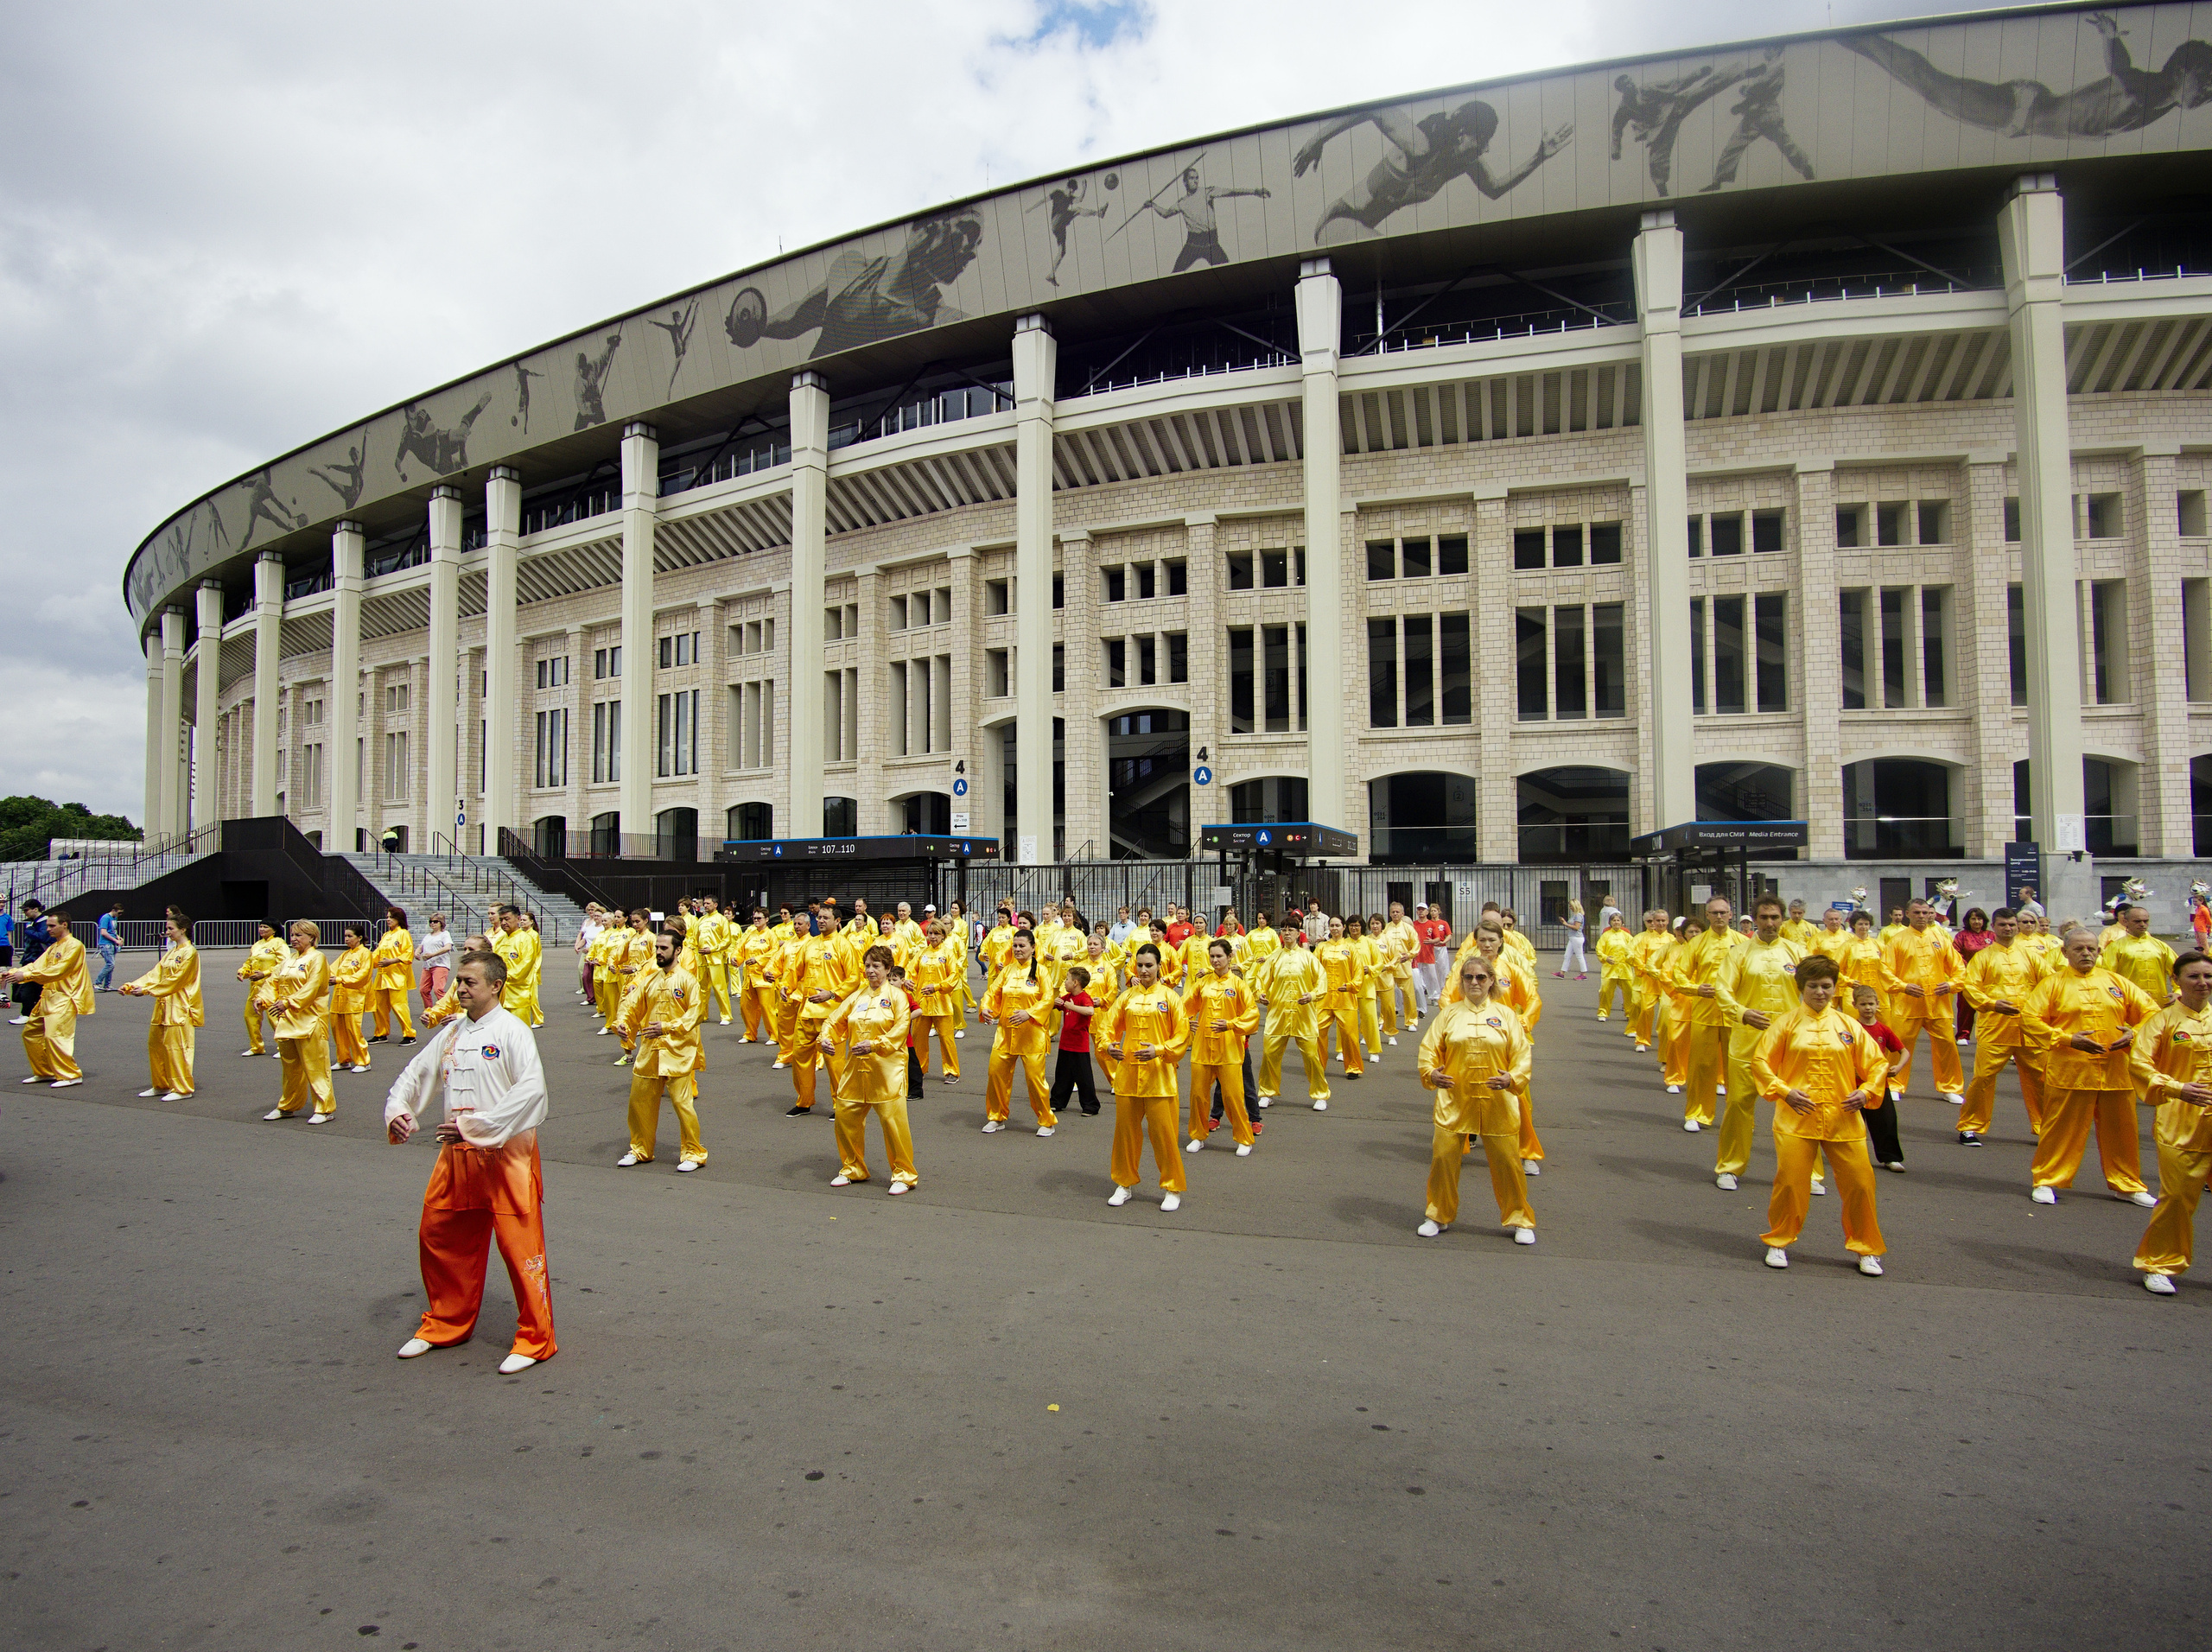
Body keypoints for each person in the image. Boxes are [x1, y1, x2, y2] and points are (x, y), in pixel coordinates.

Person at [385, 950, 557, 1375]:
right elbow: (416, 1074)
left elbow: (532, 1091)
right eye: (458, 981)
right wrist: (399, 1110)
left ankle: (536, 1338)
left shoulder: (514, 1031)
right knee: (440, 1234)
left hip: (507, 1156)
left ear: (496, 986)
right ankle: (446, 1322)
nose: (459, 989)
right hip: (457, 1155)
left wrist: (478, 1127)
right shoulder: (451, 1033)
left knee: (520, 1247)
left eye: (469, 983)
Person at [1750, 956, 1890, 1275]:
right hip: (1796, 1118)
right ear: (1800, 987)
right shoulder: (1785, 1024)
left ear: (1835, 988)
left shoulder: (1848, 1025)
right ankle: (1779, 1241)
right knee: (1791, 1183)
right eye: (1813, 986)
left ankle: (1866, 1247)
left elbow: (1878, 1064)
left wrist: (1866, 1091)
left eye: (1827, 986)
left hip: (1844, 1118)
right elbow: (1760, 1061)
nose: (1820, 992)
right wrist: (1784, 1091)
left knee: (1861, 1184)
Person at [2018, 926, 2161, 1207]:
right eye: (2079, 949)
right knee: (2060, 1129)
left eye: (2091, 949)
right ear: (2065, 952)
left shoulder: (2116, 981)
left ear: (2099, 950)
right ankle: (2046, 1179)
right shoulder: (2052, 984)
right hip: (2070, 1071)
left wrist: (2134, 1032)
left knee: (2123, 1130)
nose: (2086, 953)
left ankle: (2127, 1184)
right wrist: (2067, 1039)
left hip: (2116, 1071)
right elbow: (2029, 1019)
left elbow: (2151, 1011)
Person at [1414, 952, 1536, 1245]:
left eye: (1481, 977)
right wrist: (1431, 1073)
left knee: (1508, 1163)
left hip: (1499, 1102)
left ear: (1492, 980)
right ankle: (1437, 1214)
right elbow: (1428, 1049)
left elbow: (1522, 1054)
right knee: (1443, 1159)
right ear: (1462, 981)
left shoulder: (1506, 1015)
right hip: (1455, 1100)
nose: (1474, 982)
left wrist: (1513, 1078)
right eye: (1468, 977)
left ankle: (1519, 1218)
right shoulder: (1449, 1014)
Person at [1712, 895, 1808, 1192]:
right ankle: (1729, 1166)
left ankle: (1808, 1171)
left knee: (1800, 1106)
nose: (1770, 923)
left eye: (1775, 917)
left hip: (1789, 1043)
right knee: (1739, 1104)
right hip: (1747, 1042)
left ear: (1783, 919)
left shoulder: (1798, 952)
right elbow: (1722, 989)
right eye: (1764, 917)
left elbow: (1819, 990)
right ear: (1754, 919)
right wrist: (1742, 1013)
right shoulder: (1739, 953)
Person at [2130, 950, 2212, 1294]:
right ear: (2176, 980)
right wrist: (2177, 1088)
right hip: (2181, 1122)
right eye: (2194, 976)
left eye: (2208, 976)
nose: (2203, 983)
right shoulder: (2162, 1021)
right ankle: (2159, 1263)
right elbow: (2139, 1063)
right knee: (2177, 1196)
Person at [817, 944, 918, 1192]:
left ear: (887, 969)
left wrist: (875, 1045)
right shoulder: (857, 996)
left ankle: (903, 1174)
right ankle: (853, 1167)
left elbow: (901, 1029)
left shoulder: (898, 997)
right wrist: (826, 1038)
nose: (871, 971)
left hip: (887, 1070)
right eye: (868, 966)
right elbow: (834, 1020)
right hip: (855, 1069)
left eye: (877, 966)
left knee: (892, 1121)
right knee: (845, 1115)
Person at [1097, 944, 1191, 1210]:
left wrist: (1160, 1050)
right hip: (1128, 1075)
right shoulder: (1126, 996)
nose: (1144, 970)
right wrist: (1109, 1046)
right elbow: (1108, 1026)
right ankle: (1124, 1183)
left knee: (1163, 1134)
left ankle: (1172, 1187)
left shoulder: (1171, 998)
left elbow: (1182, 1035)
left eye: (1149, 965)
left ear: (1159, 966)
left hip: (1160, 1078)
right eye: (1140, 965)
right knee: (1126, 1133)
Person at [1956, 907, 2050, 1146]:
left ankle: (2044, 1128)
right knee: (1983, 1078)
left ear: (2017, 927)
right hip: (1995, 1028)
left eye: (2011, 925)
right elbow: (1970, 987)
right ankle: (1970, 1126)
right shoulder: (1983, 957)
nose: (2008, 928)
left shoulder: (2031, 956)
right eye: (2002, 925)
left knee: (2040, 1079)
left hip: (2030, 1028)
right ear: (1994, 928)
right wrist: (1992, 1004)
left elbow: (2050, 984)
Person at [616, 929, 707, 1172]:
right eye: (657, 947)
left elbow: (697, 1013)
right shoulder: (650, 979)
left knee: (682, 1104)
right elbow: (631, 1006)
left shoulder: (688, 980)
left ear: (677, 950)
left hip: (679, 1052)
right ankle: (640, 1149)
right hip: (650, 1051)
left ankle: (693, 1153)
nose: (658, 952)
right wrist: (623, 1025)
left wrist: (667, 1027)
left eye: (664, 948)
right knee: (639, 1102)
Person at [1879, 900, 1964, 1104]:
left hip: (1939, 1003)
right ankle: (1894, 1083)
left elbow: (1959, 969)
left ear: (1930, 914)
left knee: (1946, 1045)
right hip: (1907, 1003)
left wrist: (1952, 985)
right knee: (1899, 1045)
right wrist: (1903, 986)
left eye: (1925, 912)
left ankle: (1949, 1086)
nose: (1921, 916)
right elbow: (1885, 970)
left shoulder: (1941, 939)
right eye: (1917, 912)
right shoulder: (1897, 941)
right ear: (1908, 913)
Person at [1672, 897, 1745, 1129]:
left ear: (1731, 914)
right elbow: (1679, 975)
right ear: (1707, 915)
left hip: (1736, 1014)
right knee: (1701, 1066)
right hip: (1705, 1012)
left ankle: (1741, 1116)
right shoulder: (1696, 943)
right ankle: (1696, 1113)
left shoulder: (1743, 942)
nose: (1719, 917)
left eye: (1723, 912)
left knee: (1738, 1068)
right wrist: (1696, 988)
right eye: (1714, 913)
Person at [1184, 938, 1260, 1154]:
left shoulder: (1238, 985)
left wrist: (1231, 1024)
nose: (1215, 960)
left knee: (1233, 1096)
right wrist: (1186, 1021)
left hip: (1229, 1049)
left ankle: (1244, 1138)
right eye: (1213, 956)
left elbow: (1252, 1013)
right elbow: (1184, 1007)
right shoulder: (1203, 983)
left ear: (1229, 958)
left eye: (1219, 956)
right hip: (1202, 1047)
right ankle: (1198, 1135)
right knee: (1198, 1095)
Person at [980, 929, 1057, 1134]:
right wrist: (986, 1008)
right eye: (1015, 945)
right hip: (1005, 1033)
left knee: (1034, 1079)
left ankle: (1046, 1120)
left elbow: (1048, 999)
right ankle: (996, 1116)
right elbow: (992, 992)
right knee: (996, 1074)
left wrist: (1030, 1013)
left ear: (1033, 948)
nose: (1017, 949)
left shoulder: (1041, 971)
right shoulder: (1007, 971)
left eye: (1022, 946)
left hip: (1032, 1035)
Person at [780, 909, 856, 1115]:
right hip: (806, 1012)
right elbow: (794, 971)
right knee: (800, 1058)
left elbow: (854, 978)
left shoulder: (844, 945)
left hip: (832, 1016)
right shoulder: (810, 944)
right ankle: (804, 1101)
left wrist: (832, 994)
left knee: (835, 1063)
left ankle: (841, 1104)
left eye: (826, 918)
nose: (821, 921)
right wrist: (786, 986)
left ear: (837, 921)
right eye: (819, 918)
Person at [120, 909, 201, 1099]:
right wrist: (133, 985)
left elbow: (178, 980)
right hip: (163, 1004)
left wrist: (148, 990)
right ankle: (161, 1084)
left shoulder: (190, 952)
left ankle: (182, 1088)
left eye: (170, 928)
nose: (167, 932)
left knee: (176, 1047)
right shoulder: (172, 952)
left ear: (183, 930)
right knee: (156, 1045)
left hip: (179, 1006)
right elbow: (155, 974)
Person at [5, 910, 92, 1087]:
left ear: (64, 925)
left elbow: (59, 970)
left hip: (65, 997)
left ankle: (70, 1074)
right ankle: (45, 1071)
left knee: (56, 1036)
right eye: (47, 926)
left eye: (52, 926)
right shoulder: (54, 947)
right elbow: (37, 965)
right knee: (31, 1033)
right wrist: (15, 972)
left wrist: (26, 976)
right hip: (48, 997)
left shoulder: (74, 946)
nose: (48, 929)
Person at [262, 921, 335, 1123]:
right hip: (287, 1020)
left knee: (316, 1066)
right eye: (292, 934)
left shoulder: (317, 958)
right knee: (291, 1068)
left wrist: (288, 1002)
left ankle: (324, 1108)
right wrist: (264, 998)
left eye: (299, 935)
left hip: (311, 1019)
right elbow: (273, 980)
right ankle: (288, 1105)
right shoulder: (289, 960)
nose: (294, 938)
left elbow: (313, 987)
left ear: (312, 937)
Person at [1253, 921, 1331, 1109]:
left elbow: (1322, 980)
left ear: (1298, 934)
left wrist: (1312, 995)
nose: (1287, 933)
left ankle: (1320, 1094)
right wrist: (1260, 993)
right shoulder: (1274, 957)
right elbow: (1261, 979)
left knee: (1311, 1055)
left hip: (1303, 1013)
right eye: (1284, 930)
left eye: (1291, 930)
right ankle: (1267, 1092)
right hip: (1278, 1013)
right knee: (1270, 1053)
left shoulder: (1308, 957)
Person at [1850, 985, 1907, 1171]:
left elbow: (1903, 1051)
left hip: (1880, 1086)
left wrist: (1898, 1067)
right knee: (1853, 1124)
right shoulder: (1850, 1028)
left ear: (1878, 1004)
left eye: (1871, 1004)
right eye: (1863, 1004)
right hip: (1854, 1085)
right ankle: (1852, 1157)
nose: (1868, 1008)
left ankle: (1890, 1157)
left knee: (1886, 1122)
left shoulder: (1883, 1029)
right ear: (1855, 1005)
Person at [908, 917, 963, 1083]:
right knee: (919, 1040)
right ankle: (919, 1070)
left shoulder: (947, 954)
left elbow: (954, 976)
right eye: (930, 933)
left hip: (942, 1004)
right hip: (922, 1004)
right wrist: (907, 981)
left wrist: (937, 987)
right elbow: (911, 970)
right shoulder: (922, 953)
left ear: (943, 935)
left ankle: (952, 1071)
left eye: (936, 934)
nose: (933, 937)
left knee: (946, 1039)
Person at [1314, 918, 1368, 1079]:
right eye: (1332, 925)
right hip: (1324, 998)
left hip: (1345, 997)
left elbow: (1358, 971)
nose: (1335, 928)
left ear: (1344, 927)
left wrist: (1352, 985)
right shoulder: (1322, 948)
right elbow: (1313, 969)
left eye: (1338, 925)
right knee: (1318, 1032)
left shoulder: (1350, 948)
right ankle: (1317, 1065)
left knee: (1349, 1035)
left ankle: (1353, 1067)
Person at [1049, 963, 1103, 1120]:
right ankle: (1057, 1101)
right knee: (1062, 1075)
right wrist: (1056, 1003)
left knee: (1083, 1077)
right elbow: (1055, 1004)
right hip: (1065, 1043)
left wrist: (1069, 1006)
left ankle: (1091, 1105)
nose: (1065, 982)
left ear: (1076, 983)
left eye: (1067, 979)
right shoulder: (1068, 997)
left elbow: (1090, 1010)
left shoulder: (1083, 998)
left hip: (1079, 1045)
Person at [329, 925, 375, 1073]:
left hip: (355, 997)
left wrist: (340, 979)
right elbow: (331, 969)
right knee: (338, 1029)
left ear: (359, 937)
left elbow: (362, 975)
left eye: (350, 936)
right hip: (339, 996)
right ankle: (343, 1059)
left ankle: (363, 1061)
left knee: (353, 1030)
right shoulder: (345, 955)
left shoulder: (365, 953)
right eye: (345, 936)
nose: (347, 939)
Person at [236, 920, 284, 1056]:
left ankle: (283, 1046)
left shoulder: (279, 944)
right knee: (250, 1016)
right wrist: (243, 971)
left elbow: (283, 964)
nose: (261, 929)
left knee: (274, 1017)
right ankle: (256, 1046)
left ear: (274, 930)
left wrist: (265, 973)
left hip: (271, 987)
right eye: (261, 926)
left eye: (265, 927)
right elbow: (249, 963)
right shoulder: (257, 945)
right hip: (255, 987)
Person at [369, 907, 416, 1045]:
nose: (388, 919)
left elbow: (408, 953)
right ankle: (381, 1032)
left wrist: (392, 961)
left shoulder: (403, 934)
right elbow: (377, 953)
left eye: (391, 917)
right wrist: (367, 962)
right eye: (387, 917)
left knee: (399, 1005)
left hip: (397, 975)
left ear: (399, 919)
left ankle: (409, 1034)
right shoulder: (386, 935)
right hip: (382, 975)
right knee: (379, 1005)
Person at [1953, 908, 1993, 1044]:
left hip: (1989, 976)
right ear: (1968, 921)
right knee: (1966, 1006)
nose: (1977, 922)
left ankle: (1989, 1035)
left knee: (1990, 1006)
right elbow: (1956, 954)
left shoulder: (1991, 936)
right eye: (1973, 919)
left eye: (1979, 919)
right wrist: (1969, 968)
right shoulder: (1962, 936)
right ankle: (1963, 1034)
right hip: (1968, 976)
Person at [695, 894, 734, 1025]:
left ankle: (726, 1015)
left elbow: (727, 940)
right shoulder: (700, 920)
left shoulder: (721, 920)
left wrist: (713, 949)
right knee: (702, 989)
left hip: (716, 958)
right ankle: (702, 1014)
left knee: (719, 988)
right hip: (702, 959)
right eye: (704, 904)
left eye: (708, 903)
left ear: (715, 905)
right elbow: (695, 938)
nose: (705, 906)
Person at [1594, 912, 1634, 1021]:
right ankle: (1603, 1012)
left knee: (1629, 992)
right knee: (1605, 991)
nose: (1616, 922)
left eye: (1618, 920)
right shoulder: (1605, 936)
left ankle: (1630, 1013)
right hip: (1609, 969)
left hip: (1624, 969)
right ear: (1610, 923)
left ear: (1622, 922)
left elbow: (1634, 948)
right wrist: (1605, 958)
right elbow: (1599, 949)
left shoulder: (1627, 936)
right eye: (1614, 920)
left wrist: (1630, 958)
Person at [417, 914, 454, 1007]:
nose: (432, 924)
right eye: (431, 922)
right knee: (423, 990)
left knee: (438, 989)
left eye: (435, 921)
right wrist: (417, 952)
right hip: (427, 966)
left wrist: (433, 955)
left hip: (440, 965)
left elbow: (448, 947)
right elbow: (421, 946)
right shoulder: (428, 936)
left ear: (441, 923)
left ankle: (447, 1008)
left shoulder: (444, 934)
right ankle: (429, 1009)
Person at [94, 903, 123, 992]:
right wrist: (115, 940)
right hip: (106, 944)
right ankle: (97, 982)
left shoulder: (114, 918)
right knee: (110, 964)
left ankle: (107, 985)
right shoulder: (106, 918)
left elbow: (113, 931)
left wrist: (118, 937)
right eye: (119, 913)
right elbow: (104, 932)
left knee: (111, 965)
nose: (120, 915)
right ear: (113, 910)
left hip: (112, 944)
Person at [1558, 899, 1587, 980]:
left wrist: (1566, 924)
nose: (1570, 907)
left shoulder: (1578, 915)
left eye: (1571, 906)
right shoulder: (1575, 915)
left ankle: (1583, 974)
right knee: (1567, 955)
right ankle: (1562, 972)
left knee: (1579, 956)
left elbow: (1576, 927)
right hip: (1572, 938)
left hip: (1576, 938)